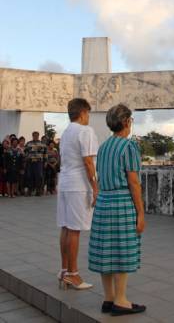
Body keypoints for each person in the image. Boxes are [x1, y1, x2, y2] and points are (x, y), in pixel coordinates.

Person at [88, 104, 146, 316]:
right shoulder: (128, 146)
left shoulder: (104, 147)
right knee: (122, 250)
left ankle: (108, 298)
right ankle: (121, 300)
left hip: (104, 201)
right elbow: (134, 182)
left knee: (106, 250)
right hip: (121, 202)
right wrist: (140, 213)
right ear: (126, 122)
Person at [57, 98, 98, 290]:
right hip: (78, 185)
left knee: (66, 228)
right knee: (74, 229)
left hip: (65, 183)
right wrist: (96, 187)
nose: (88, 117)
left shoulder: (66, 132)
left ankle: (65, 270)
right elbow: (88, 162)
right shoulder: (85, 131)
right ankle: (73, 274)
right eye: (88, 113)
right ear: (82, 113)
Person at [24, 131, 47, 196]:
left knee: (39, 176)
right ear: (32, 136)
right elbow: (25, 152)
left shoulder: (42, 144)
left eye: (37, 135)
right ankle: (30, 190)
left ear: (38, 136)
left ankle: (38, 190)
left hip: (39, 162)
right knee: (29, 176)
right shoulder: (28, 143)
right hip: (30, 161)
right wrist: (26, 159)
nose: (35, 136)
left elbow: (45, 154)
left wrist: (45, 162)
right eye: (34, 135)